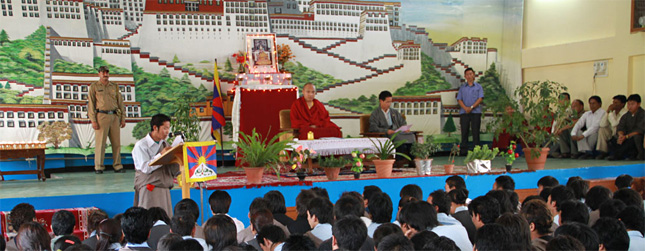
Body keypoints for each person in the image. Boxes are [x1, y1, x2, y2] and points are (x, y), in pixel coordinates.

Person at [132, 114, 181, 215]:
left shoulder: (164, 144)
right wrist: (161, 154)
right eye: (165, 128)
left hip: (164, 186)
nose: (167, 132)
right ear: (155, 127)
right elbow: (145, 168)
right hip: (149, 187)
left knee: (165, 217)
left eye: (168, 128)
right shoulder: (141, 145)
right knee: (149, 217)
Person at [88, 66, 126, 174]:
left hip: (114, 116)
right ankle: (99, 166)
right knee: (100, 144)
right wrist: (93, 120)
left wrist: (122, 118)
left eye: (107, 72)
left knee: (116, 143)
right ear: (99, 74)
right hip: (101, 116)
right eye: (103, 72)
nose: (105, 74)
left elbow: (120, 103)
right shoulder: (94, 87)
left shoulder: (114, 86)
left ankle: (117, 165)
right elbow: (91, 104)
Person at [369, 91, 416, 166]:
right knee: (398, 138)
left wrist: (405, 129)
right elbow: (373, 127)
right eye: (387, 102)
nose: (389, 104)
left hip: (397, 132)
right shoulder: (375, 114)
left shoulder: (394, 112)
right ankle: (398, 160)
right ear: (381, 101)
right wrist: (386, 131)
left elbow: (402, 122)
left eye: (390, 102)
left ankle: (412, 160)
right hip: (386, 135)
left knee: (411, 136)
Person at [608, 94, 645, 160]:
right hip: (626, 136)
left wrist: (626, 136)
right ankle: (619, 154)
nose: (630, 107)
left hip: (635, 136)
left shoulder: (643, 114)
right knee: (614, 139)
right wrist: (621, 135)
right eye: (628, 104)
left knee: (635, 138)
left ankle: (619, 155)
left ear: (638, 104)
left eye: (632, 104)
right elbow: (620, 127)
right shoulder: (626, 115)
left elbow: (640, 130)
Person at [457, 67, 484, 155]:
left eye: (470, 74)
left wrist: (471, 107)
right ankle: (464, 151)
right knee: (464, 132)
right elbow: (459, 99)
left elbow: (480, 98)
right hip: (464, 113)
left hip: (475, 113)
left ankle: (476, 151)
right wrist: (465, 108)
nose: (469, 76)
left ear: (474, 75)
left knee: (475, 132)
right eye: (467, 74)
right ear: (465, 76)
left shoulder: (478, 87)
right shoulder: (462, 88)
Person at [596, 95, 628, 159]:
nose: (613, 104)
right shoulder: (612, 112)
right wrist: (607, 112)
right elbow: (602, 124)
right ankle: (604, 152)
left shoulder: (625, 113)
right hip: (612, 133)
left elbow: (615, 124)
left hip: (621, 133)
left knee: (616, 127)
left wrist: (610, 113)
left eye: (616, 103)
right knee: (602, 129)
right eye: (613, 102)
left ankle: (615, 153)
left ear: (622, 104)